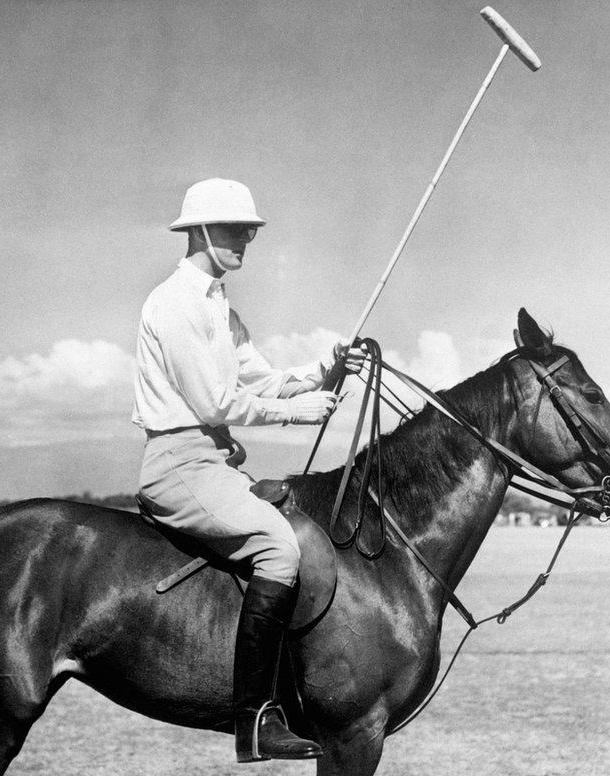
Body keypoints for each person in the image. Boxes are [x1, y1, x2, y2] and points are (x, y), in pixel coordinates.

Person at [133, 178, 362, 763]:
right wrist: (297, 414)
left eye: (251, 231)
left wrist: (326, 369)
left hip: (212, 460)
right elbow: (215, 404)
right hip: (178, 463)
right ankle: (255, 721)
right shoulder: (176, 303)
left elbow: (261, 379)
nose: (248, 240)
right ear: (203, 232)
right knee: (279, 550)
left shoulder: (218, 306)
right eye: (238, 229)